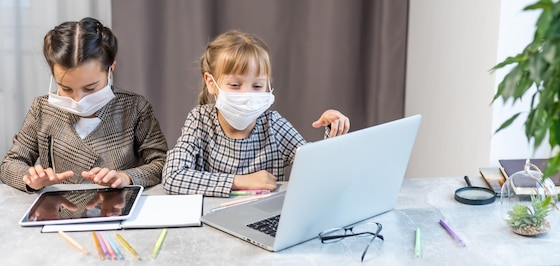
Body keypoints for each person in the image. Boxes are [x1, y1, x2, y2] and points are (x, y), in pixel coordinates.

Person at [163, 30, 350, 197]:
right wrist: (239, 181)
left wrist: (332, 132)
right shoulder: (199, 120)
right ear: (211, 83)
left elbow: (318, 170)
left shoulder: (274, 125)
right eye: (235, 85)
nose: (247, 95)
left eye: (257, 86)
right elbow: (172, 176)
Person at [0, 17, 168, 192]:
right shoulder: (42, 110)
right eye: (66, 88)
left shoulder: (134, 108)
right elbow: (10, 164)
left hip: (117, 205)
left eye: (90, 88)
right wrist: (30, 178)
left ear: (110, 70)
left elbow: (161, 162)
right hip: (60, 210)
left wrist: (126, 177)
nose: (78, 99)